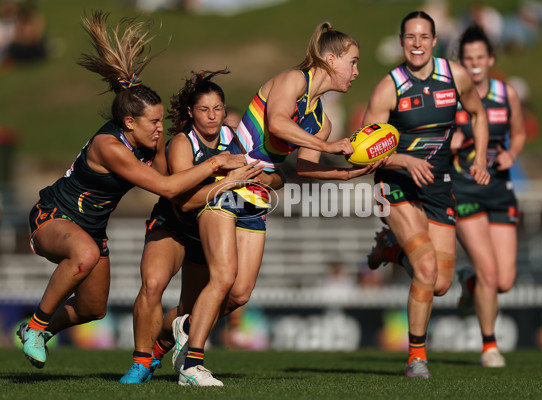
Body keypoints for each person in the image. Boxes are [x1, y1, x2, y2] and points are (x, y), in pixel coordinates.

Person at [15, 11, 247, 370]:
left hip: (91, 229)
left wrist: (215, 175)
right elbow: (168, 185)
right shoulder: (110, 147)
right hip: (54, 216)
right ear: (129, 123)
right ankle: (36, 324)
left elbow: (170, 188)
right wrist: (216, 165)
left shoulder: (151, 140)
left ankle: (40, 330)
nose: (160, 128)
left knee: (93, 308)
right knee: (85, 254)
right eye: (153, 122)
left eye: (160, 121)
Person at [169, 20, 387, 387]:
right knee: (223, 277)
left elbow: (303, 168)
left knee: (240, 293)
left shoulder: (322, 121)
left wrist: (349, 174)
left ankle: (189, 325)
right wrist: (330, 147)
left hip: (255, 199)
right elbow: (278, 124)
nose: (356, 71)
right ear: (330, 59)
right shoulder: (293, 80)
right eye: (353, 61)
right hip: (225, 188)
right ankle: (192, 364)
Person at [363, 11, 490, 378]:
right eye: (409, 37)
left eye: (423, 37)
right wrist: (402, 159)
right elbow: (363, 147)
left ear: (435, 41)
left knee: (441, 284)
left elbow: (478, 114)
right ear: (402, 42)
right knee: (426, 268)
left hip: (437, 183)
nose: (416, 44)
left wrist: (479, 158)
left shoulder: (455, 76)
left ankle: (390, 247)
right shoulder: (390, 87)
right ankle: (416, 358)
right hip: (396, 184)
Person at [119, 69, 264, 384]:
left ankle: (162, 346)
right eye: (203, 109)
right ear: (190, 112)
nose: (212, 116)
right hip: (173, 224)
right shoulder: (182, 144)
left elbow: (268, 174)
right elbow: (184, 202)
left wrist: (264, 177)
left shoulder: (236, 139)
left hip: (206, 232)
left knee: (192, 307)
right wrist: (229, 180)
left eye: (217, 109)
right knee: (154, 284)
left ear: (225, 110)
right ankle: (140, 362)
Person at [450, 24, 526, 367]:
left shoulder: (505, 93)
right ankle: (489, 346)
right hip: (464, 187)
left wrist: (512, 153)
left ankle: (468, 281)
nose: (475, 63)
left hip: (499, 187)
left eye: (481, 57)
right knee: (490, 274)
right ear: (461, 62)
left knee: (504, 281)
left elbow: (519, 132)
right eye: (468, 58)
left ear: (491, 59)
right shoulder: (449, 96)